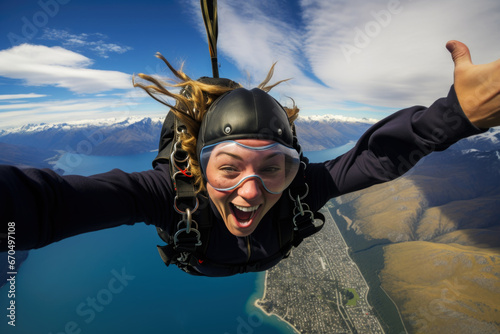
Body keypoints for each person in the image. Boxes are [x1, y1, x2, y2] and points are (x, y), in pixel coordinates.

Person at [1, 40, 499, 276]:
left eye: (272, 168)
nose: (251, 190)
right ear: (197, 166)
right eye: (229, 167)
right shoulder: (172, 197)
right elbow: (49, 204)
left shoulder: (300, 189)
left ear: (293, 167)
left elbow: (374, 157)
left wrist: (456, 114)